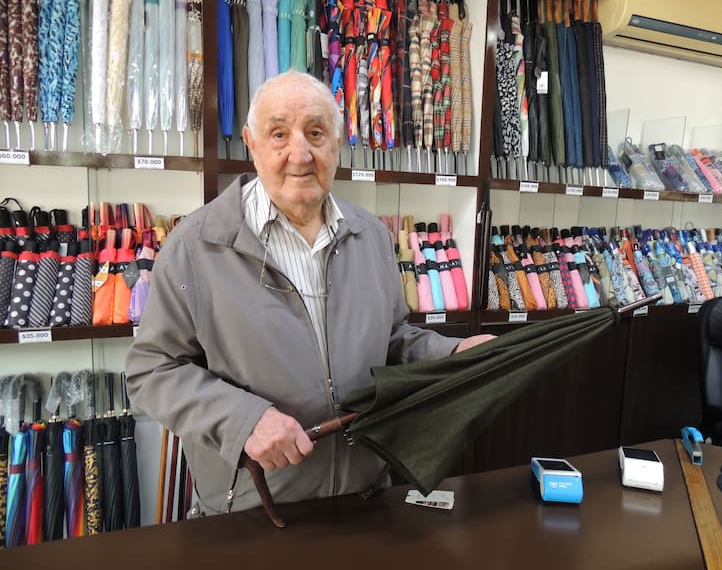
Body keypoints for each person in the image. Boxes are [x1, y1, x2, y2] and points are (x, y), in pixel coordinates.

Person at [125, 70, 494, 516]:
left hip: (366, 500)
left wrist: (453, 354)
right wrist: (243, 421)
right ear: (251, 143)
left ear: (337, 143)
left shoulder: (371, 237)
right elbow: (153, 370)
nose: (299, 154)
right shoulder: (195, 248)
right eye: (278, 134)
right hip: (255, 512)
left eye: (315, 133)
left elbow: (393, 340)